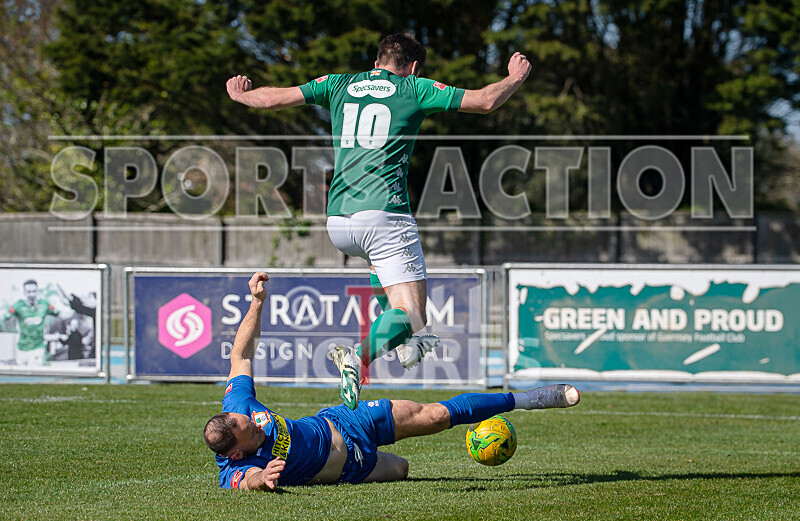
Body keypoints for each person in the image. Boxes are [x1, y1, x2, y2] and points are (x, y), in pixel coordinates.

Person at [226, 33, 532, 409]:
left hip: (339, 220)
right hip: (384, 213)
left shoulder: (338, 83)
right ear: (414, 66)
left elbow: (272, 98)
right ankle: (359, 357)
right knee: (412, 312)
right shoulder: (414, 87)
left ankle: (407, 343)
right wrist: (515, 77)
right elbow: (485, 101)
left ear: (377, 61)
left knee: (397, 297)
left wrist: (241, 95)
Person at [204, 272, 580, 490]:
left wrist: (256, 303)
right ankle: (401, 339)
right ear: (236, 452)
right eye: (249, 432)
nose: (254, 422)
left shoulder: (238, 410)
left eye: (247, 420)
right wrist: (261, 479)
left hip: (343, 421)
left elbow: (241, 356)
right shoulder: (235, 469)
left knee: (435, 416)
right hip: (352, 468)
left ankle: (531, 398)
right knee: (402, 469)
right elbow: (247, 481)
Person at [3, 279, 59, 366]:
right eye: (29, 292)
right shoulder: (18, 305)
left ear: (37, 292)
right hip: (22, 348)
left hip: (37, 347)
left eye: (34, 291)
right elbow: (5, 317)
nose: (32, 294)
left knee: (34, 375)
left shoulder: (44, 304)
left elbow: (58, 313)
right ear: (24, 293)